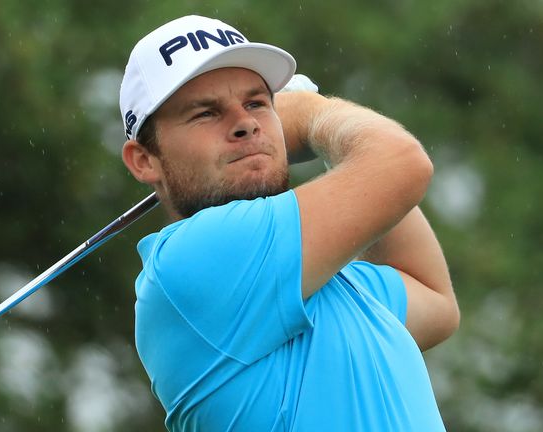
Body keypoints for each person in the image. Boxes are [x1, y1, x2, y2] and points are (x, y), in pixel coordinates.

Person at [119, 15, 459, 431]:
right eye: (206, 113)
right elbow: (402, 166)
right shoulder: (191, 259)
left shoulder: (328, 281)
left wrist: (335, 150)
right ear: (144, 160)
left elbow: (435, 301)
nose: (245, 123)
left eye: (257, 103)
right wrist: (316, 114)